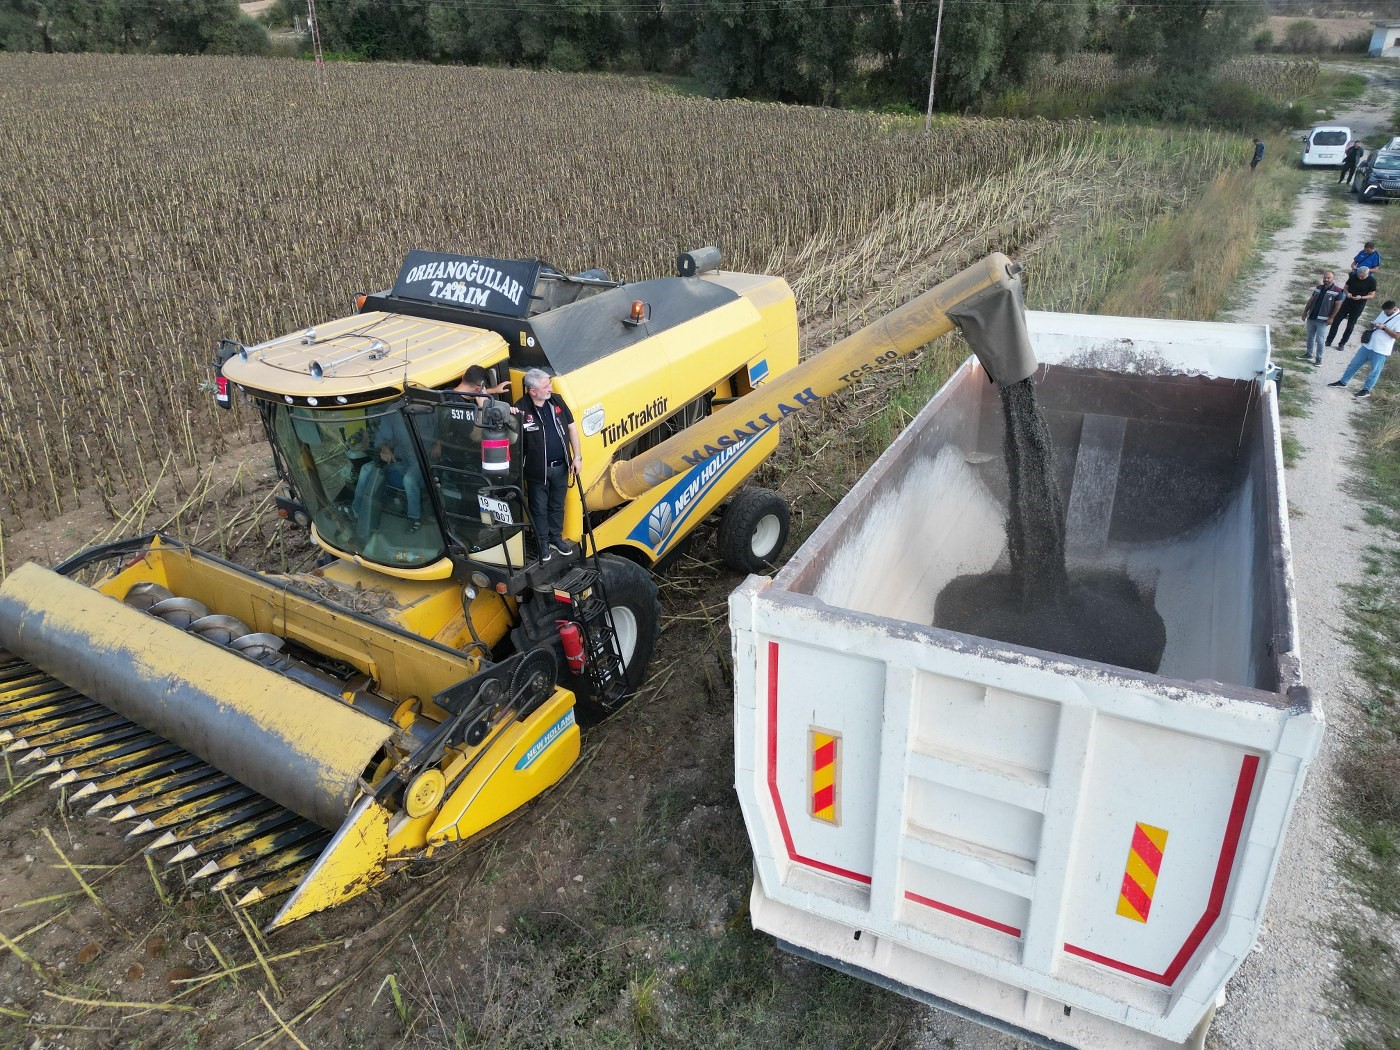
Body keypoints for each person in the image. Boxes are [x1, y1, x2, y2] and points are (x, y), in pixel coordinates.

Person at [515, 368, 581, 561]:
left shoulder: (557, 401)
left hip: (561, 467)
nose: (550, 388)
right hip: (537, 472)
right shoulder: (520, 409)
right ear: (532, 391)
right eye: (546, 386)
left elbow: (572, 428)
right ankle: (543, 543)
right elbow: (512, 440)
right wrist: (509, 415)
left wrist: (577, 457)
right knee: (538, 509)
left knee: (557, 505)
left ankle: (555, 538)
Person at [352, 409, 424, 532]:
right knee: (366, 469)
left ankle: (414, 517)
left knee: (409, 480)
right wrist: (384, 448)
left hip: (421, 461)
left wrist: (437, 444)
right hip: (399, 459)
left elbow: (439, 432)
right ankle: (355, 511)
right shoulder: (394, 411)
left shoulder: (428, 409)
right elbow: (382, 437)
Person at [1328, 299, 1400, 399]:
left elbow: (1396, 336)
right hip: (1368, 345)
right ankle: (1343, 382)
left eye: (1387, 311)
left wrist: (1384, 328)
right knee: (1354, 364)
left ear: (1394, 309)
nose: (1385, 313)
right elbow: (1375, 323)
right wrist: (1374, 324)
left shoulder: (1398, 318)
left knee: (1374, 371)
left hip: (1381, 350)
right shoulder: (1383, 313)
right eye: (1384, 311)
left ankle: (1366, 390)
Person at [1327, 264, 1378, 352]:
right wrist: (1347, 293)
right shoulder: (1354, 276)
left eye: (1362, 277)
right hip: (1348, 302)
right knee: (1336, 321)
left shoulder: (1372, 281)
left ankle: (1342, 343)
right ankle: (1329, 340)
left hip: (1359, 305)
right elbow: (1346, 287)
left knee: (1350, 325)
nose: (1360, 278)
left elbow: (1372, 295)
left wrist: (1361, 297)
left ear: (1367, 274)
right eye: (1359, 276)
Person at [1301, 271, 1345, 365]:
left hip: (1323, 319)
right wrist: (1305, 312)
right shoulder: (1318, 288)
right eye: (1325, 277)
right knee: (1310, 337)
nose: (1326, 279)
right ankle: (1309, 354)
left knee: (1320, 340)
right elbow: (1311, 300)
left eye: (1328, 278)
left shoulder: (1338, 291)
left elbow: (1338, 305)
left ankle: (1319, 360)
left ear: (1333, 279)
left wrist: (1331, 318)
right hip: (1312, 316)